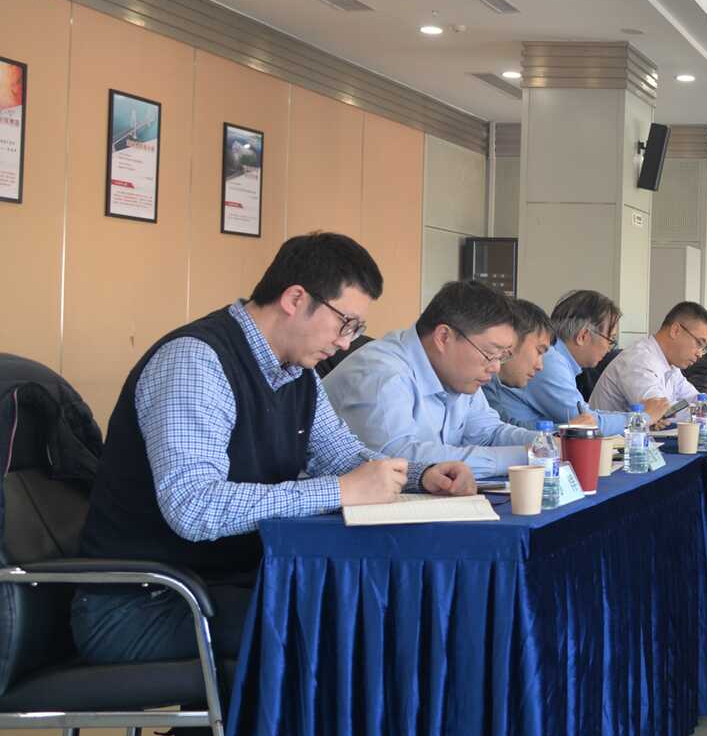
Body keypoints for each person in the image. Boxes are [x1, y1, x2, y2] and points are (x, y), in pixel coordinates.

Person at [73, 233, 472, 665]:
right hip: (146, 603)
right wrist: (340, 491)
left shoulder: (296, 373)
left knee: (378, 604)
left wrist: (420, 476)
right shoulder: (196, 361)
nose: (346, 342)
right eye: (346, 323)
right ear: (295, 299)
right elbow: (193, 506)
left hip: (225, 585)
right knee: (346, 627)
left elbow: (342, 457)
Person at [325, 280, 543, 482]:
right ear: (443, 337)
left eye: (502, 356)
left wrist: (545, 444)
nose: (495, 367)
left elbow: (489, 433)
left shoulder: (461, 375)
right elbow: (398, 458)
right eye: (490, 353)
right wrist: (526, 456)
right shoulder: (382, 373)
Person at [489, 289, 626, 434]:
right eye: (610, 340)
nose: (540, 365)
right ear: (583, 336)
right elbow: (588, 424)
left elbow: (502, 429)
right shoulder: (551, 362)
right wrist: (638, 419)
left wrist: (558, 431)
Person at [589, 300, 707, 422]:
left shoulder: (671, 365)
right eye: (699, 343)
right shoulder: (639, 360)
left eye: (703, 348)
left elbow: (695, 399)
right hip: (612, 435)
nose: (700, 354)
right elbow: (660, 413)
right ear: (675, 331)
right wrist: (704, 409)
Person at [485, 297, 559, 427]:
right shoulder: (481, 381)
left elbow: (502, 428)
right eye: (539, 351)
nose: (540, 366)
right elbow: (496, 432)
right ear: (512, 340)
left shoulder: (492, 383)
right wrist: (566, 429)